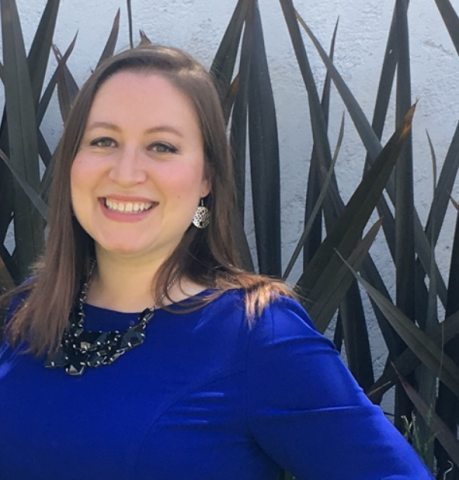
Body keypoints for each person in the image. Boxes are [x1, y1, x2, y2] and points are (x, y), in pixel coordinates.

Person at [0, 44, 433, 480]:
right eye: (104, 140)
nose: (126, 172)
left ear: (206, 177)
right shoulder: (26, 314)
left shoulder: (255, 333)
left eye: (162, 146)